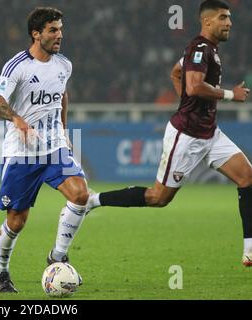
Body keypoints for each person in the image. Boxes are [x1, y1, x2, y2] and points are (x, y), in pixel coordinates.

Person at [87, 0, 252, 267]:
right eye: (223, 17)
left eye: (230, 18)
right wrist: (232, 94)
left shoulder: (208, 49)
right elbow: (195, 86)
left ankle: (249, 250)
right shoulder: (199, 48)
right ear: (207, 21)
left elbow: (176, 73)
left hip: (211, 134)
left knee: (247, 177)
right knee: (158, 197)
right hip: (186, 136)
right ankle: (94, 200)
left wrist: (187, 103)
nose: (229, 23)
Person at [0, 7, 88, 293]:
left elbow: (62, 96)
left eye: (60, 29)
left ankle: (57, 256)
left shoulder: (64, 65)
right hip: (22, 152)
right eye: (53, 30)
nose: (59, 35)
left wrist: (64, 131)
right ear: (36, 34)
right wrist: (17, 119)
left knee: (80, 194)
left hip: (55, 147)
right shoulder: (17, 66)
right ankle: (1, 269)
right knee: (17, 220)